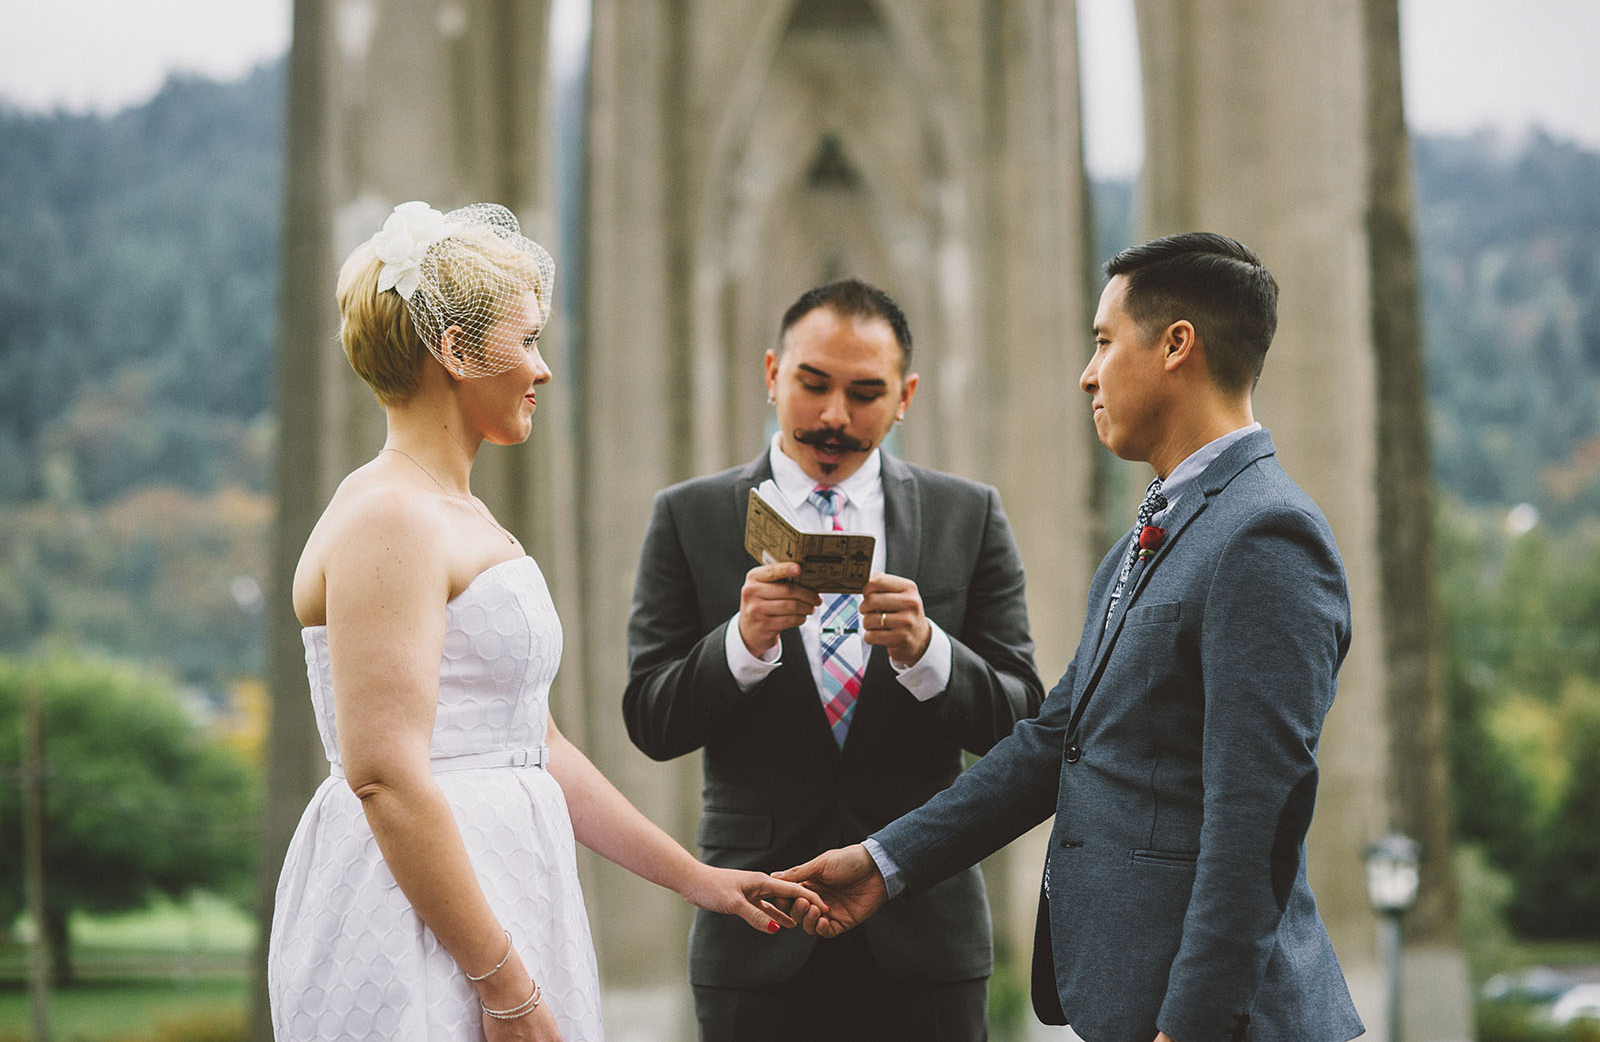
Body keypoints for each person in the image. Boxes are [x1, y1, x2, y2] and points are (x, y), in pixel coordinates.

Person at [780, 233, 1367, 1042]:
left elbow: (1253, 825)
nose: (1088, 373)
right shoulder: (1144, 538)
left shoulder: (1266, 537)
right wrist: (886, 861)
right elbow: (1056, 741)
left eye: (1102, 341)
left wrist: (1189, 1027)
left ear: (1175, 345)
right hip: (1125, 1006)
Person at [267, 200, 818, 1042]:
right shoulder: (391, 518)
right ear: (454, 348)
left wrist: (697, 878)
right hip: (417, 920)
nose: (542, 368)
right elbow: (385, 776)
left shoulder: (461, 512)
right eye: (524, 341)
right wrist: (505, 985)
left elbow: (537, 743)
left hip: (509, 893)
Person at [622, 278, 1044, 1041]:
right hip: (757, 931)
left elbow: (1024, 715)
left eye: (865, 393)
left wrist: (929, 654)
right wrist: (740, 644)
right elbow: (650, 718)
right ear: (771, 373)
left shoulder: (968, 515)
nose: (834, 417)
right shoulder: (689, 516)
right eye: (813, 384)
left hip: (925, 934)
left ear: (906, 395)